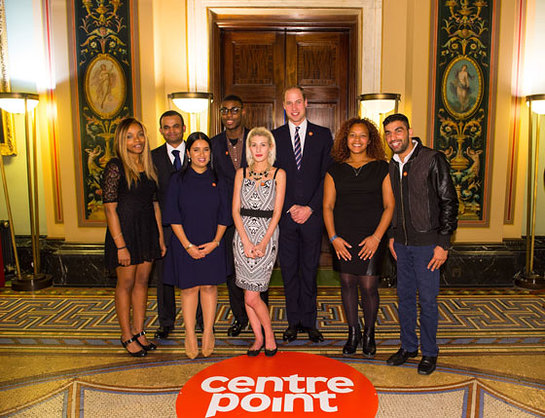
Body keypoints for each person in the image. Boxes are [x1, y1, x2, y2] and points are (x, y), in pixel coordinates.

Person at [383, 113, 458, 375]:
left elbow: (449, 201)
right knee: (403, 298)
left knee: (427, 301)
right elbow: (392, 205)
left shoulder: (432, 159)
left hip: (428, 244)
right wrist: (392, 234)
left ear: (409, 131)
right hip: (401, 245)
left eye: (398, 131)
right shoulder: (391, 164)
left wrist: (443, 243)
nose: (394, 137)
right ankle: (408, 346)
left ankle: (429, 352)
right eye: (389, 133)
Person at [323, 118, 394, 357]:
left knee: (369, 284)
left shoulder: (382, 167)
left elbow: (389, 206)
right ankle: (353, 332)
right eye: (352, 135)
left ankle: (369, 333)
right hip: (343, 236)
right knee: (347, 283)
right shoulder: (334, 170)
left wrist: (376, 238)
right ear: (345, 139)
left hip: (373, 235)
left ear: (370, 139)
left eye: (362, 136)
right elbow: (328, 207)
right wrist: (334, 238)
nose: (357, 140)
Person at [272, 86, 333, 343]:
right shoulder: (274, 137)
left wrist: (310, 207)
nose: (294, 108)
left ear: (306, 103)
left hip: (312, 216)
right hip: (285, 217)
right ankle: (293, 322)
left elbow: (327, 176)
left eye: (298, 102)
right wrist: (289, 207)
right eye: (289, 103)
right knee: (288, 271)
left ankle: (309, 322)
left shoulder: (322, 135)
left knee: (309, 270)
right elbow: (272, 176)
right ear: (284, 106)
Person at [162, 132, 231, 359]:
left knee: (210, 287)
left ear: (211, 153)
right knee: (189, 288)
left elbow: (225, 214)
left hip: (213, 243)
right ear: (188, 153)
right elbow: (173, 215)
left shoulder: (219, 179)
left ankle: (208, 332)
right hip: (185, 243)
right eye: (196, 150)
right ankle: (190, 333)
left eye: (206, 150)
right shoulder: (177, 179)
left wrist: (216, 242)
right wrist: (188, 245)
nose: (201, 155)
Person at [102, 117, 166, 357]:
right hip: (125, 234)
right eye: (130, 136)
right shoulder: (116, 166)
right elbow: (110, 208)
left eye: (139, 134)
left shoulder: (148, 165)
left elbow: (155, 205)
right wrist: (121, 246)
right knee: (125, 284)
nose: (136, 140)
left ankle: (140, 332)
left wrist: (159, 238)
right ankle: (126, 334)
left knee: (142, 283)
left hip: (147, 231)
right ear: (121, 139)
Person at [211, 95, 269, 337]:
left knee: (259, 269)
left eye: (234, 110)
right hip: (227, 217)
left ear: (243, 112)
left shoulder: (256, 140)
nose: (229, 115)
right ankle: (240, 317)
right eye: (224, 111)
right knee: (233, 271)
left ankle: (261, 316)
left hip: (257, 217)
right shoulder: (213, 144)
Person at [232, 127, 286, 356]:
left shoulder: (278, 174)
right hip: (242, 236)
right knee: (247, 293)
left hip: (267, 235)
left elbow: (277, 213)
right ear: (249, 148)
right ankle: (258, 338)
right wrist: (244, 240)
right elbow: (235, 211)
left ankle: (269, 336)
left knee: (253, 295)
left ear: (270, 147)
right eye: (254, 145)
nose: (258, 149)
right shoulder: (241, 173)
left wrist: (263, 242)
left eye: (263, 144)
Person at [152, 110, 204, 340]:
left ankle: (201, 320)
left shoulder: (197, 152)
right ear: (161, 130)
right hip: (164, 226)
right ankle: (166, 321)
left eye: (176, 126)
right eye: (167, 127)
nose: (172, 130)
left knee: (197, 274)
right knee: (163, 276)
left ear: (184, 128)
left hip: (194, 225)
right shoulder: (152, 157)